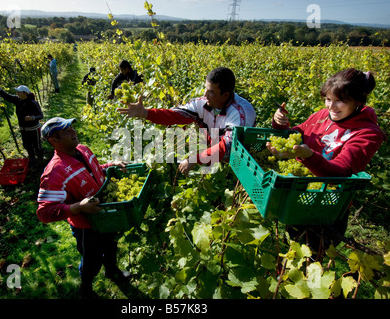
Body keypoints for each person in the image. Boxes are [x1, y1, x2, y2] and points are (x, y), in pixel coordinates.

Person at [267, 68, 385, 237]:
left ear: (358, 101)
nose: (331, 106)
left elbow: (341, 172)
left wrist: (309, 156)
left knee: (313, 257)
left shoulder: (368, 133)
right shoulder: (322, 116)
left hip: (327, 206)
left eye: (340, 101)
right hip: (297, 196)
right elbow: (297, 135)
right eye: (328, 99)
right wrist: (280, 125)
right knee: (288, 251)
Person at [36, 117, 129, 299]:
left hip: (105, 214)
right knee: (91, 259)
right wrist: (78, 207)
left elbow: (93, 169)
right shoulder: (54, 172)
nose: (73, 132)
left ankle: (112, 271)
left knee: (111, 245)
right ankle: (86, 288)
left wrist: (110, 166)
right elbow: (44, 212)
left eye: (71, 127)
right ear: (53, 141)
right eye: (66, 131)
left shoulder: (83, 149)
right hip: (87, 226)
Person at [118, 67, 257, 176]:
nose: (205, 95)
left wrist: (195, 159)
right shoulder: (203, 103)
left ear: (225, 95)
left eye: (211, 92)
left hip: (242, 161)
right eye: (205, 89)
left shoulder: (239, 113)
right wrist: (146, 113)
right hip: (216, 154)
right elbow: (175, 115)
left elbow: (228, 147)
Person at [0, 81, 44, 167]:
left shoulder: (32, 103)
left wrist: (33, 118)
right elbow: (7, 96)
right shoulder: (18, 100)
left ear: (25, 93)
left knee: (37, 146)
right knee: (27, 145)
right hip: (23, 129)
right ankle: (33, 160)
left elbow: (41, 115)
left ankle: (41, 160)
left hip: (34, 129)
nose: (17, 93)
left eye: (19, 92)